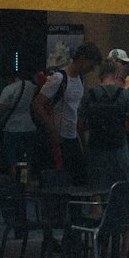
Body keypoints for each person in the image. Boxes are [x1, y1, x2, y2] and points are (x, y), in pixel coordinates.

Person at [34, 41, 103, 181]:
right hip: (58, 138)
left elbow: (75, 112)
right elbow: (37, 105)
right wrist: (53, 131)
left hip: (71, 137)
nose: (91, 70)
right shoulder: (59, 78)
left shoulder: (80, 80)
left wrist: (82, 142)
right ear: (83, 59)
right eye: (91, 65)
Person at [82, 61, 129, 190]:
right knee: (122, 186)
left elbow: (80, 124)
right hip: (119, 146)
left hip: (95, 147)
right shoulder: (124, 94)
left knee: (96, 188)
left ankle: (96, 209)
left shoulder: (89, 94)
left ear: (100, 74)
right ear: (116, 74)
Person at [0, 71, 38, 173]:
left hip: (12, 129)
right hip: (29, 127)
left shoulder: (9, 89)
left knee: (13, 160)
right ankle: (25, 181)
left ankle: (15, 183)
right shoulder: (31, 86)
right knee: (26, 161)